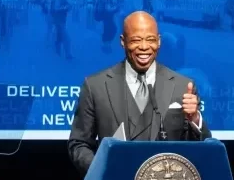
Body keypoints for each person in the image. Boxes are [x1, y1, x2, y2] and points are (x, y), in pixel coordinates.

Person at [67, 11, 211, 177]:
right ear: (123, 41)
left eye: (150, 40)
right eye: (136, 40)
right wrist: (103, 172)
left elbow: (202, 148)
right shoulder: (95, 86)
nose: (144, 47)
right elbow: (79, 144)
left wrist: (195, 120)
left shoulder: (183, 86)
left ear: (159, 41)